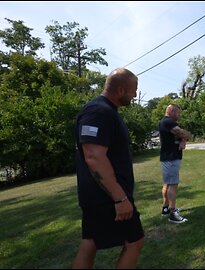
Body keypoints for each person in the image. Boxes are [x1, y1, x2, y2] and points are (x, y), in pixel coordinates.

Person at [72, 68, 144, 269]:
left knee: (91, 243)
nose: (135, 94)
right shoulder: (98, 111)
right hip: (107, 197)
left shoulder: (106, 111)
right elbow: (93, 156)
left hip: (100, 196)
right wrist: (120, 198)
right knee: (134, 242)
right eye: (134, 90)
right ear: (121, 90)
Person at [159, 104, 191, 224]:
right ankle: (173, 213)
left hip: (168, 157)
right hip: (171, 158)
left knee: (167, 183)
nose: (179, 116)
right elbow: (185, 134)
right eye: (178, 113)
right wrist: (185, 136)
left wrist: (183, 139)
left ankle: (165, 208)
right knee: (172, 184)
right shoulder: (168, 122)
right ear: (171, 111)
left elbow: (182, 135)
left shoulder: (167, 123)